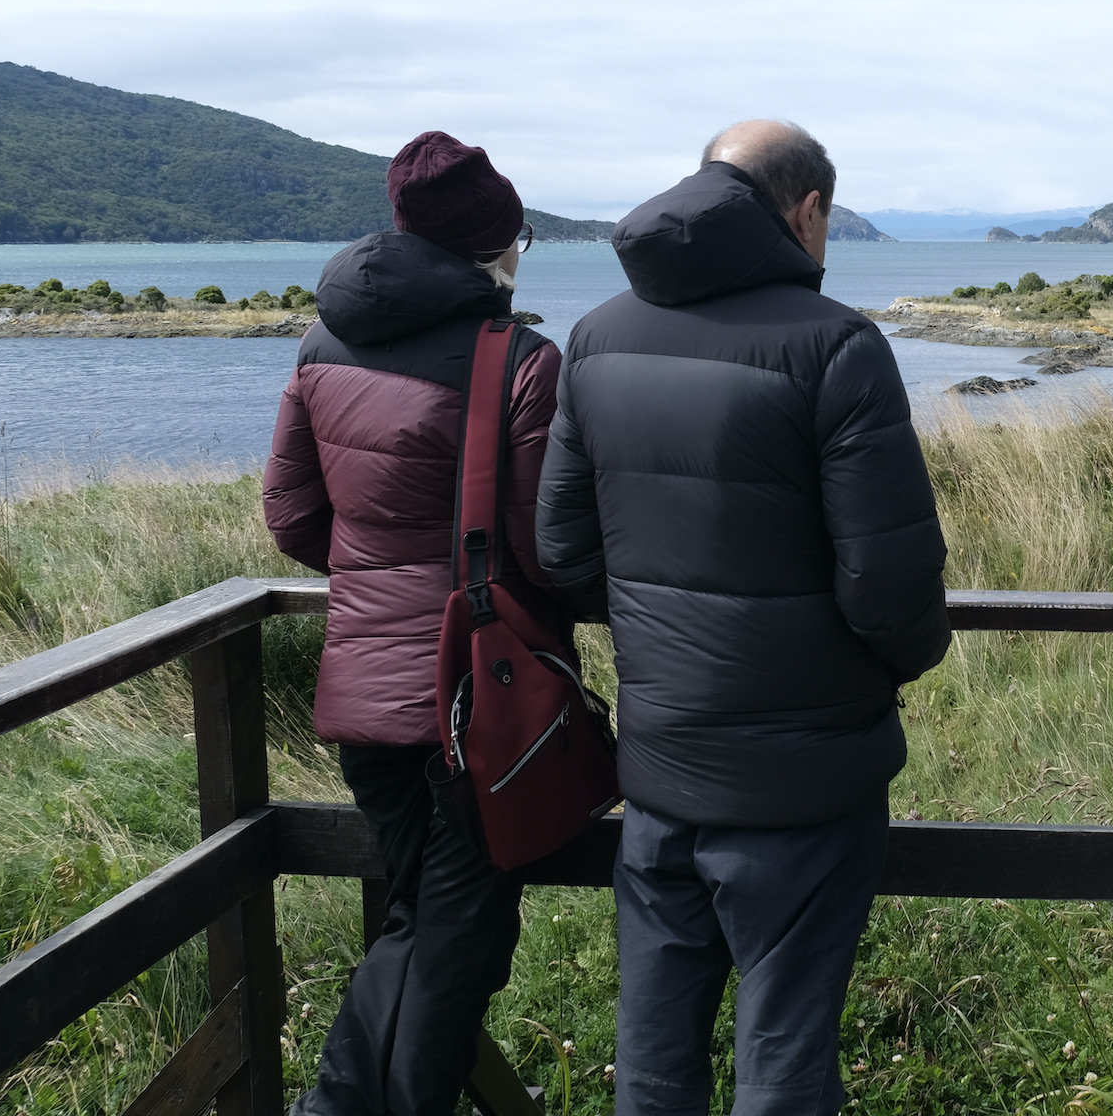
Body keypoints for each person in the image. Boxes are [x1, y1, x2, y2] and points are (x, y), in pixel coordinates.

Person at [537, 119, 950, 1116]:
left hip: (664, 765)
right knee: (784, 1060)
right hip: (805, 782)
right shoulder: (837, 346)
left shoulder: (595, 335)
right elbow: (892, 594)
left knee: (654, 1059)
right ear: (806, 212)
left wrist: (658, 627)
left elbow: (562, 553)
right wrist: (894, 663)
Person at [263, 131, 565, 1116]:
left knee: (419, 921)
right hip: (471, 700)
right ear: (489, 246)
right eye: (517, 234)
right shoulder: (515, 357)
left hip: (362, 694)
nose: (522, 250)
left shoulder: (322, 344)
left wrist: (378, 579)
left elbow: (293, 517)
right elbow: (541, 549)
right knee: (457, 941)